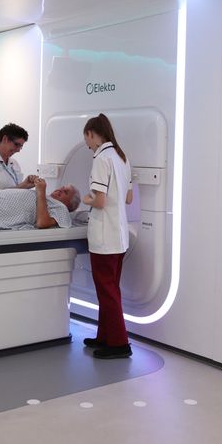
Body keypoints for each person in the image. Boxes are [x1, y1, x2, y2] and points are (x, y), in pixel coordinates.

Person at [81, 113, 134, 359]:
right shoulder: (122, 158)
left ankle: (119, 344)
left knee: (107, 291)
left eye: (87, 140)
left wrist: (86, 199)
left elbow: (100, 201)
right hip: (119, 235)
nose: (88, 145)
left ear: (91, 134)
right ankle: (105, 336)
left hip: (104, 237)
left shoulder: (101, 159)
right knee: (110, 290)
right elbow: (128, 198)